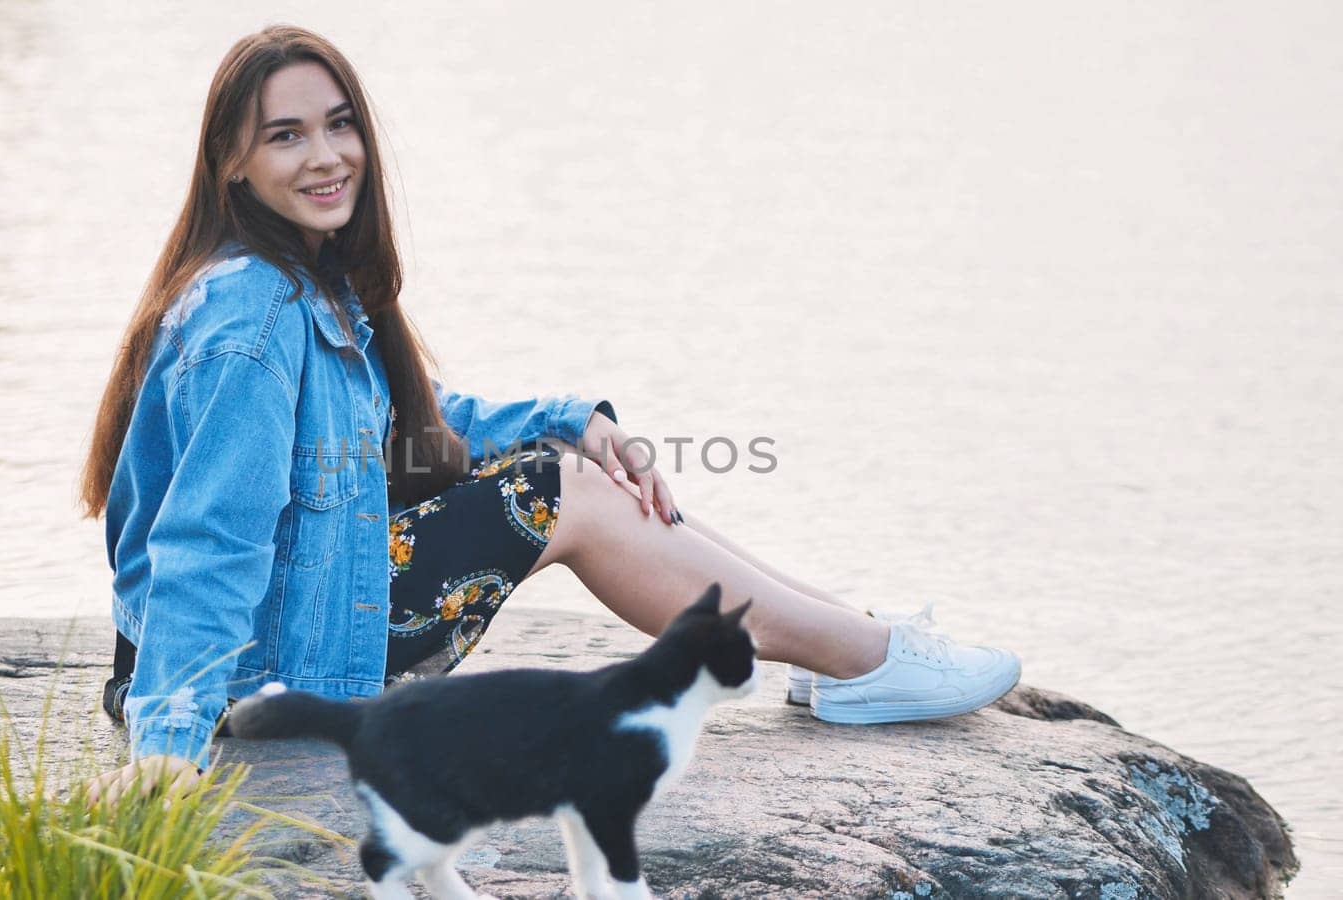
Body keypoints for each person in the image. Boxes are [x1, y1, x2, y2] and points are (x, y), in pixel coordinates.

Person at [78, 25, 1021, 805]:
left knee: (568, 466)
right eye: (286, 136)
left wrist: (569, 417)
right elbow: (211, 534)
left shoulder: (286, 281)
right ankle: (862, 658)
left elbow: (410, 418)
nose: (326, 157)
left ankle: (841, 641)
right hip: (275, 673)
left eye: (338, 126)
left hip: (295, 629)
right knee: (556, 493)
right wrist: (168, 740)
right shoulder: (257, 314)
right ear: (232, 163)